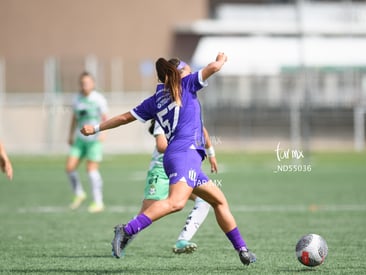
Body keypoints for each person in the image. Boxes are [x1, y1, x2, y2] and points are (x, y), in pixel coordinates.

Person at [81, 53, 256, 265]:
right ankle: (126, 229)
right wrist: (221, 60)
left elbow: (125, 117)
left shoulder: (156, 99)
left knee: (218, 201)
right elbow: (213, 67)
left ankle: (243, 250)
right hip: (185, 155)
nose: (193, 73)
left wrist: (96, 128)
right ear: (179, 73)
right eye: (189, 70)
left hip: (179, 156)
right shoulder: (187, 84)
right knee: (176, 203)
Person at [142, 119, 217, 254]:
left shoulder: (189, 111)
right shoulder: (165, 115)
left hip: (183, 168)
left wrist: (211, 152)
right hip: (161, 171)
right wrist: (185, 147)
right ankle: (124, 235)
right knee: (147, 212)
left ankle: (182, 241)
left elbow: (202, 129)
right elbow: (161, 146)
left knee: (204, 200)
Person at [66, 72, 108, 213]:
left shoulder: (98, 99)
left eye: (88, 82)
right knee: (70, 167)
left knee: (91, 170)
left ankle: (98, 201)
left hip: (94, 139)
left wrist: (104, 132)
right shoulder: (77, 99)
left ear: (93, 84)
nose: (85, 85)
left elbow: (105, 117)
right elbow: (74, 118)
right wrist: (70, 134)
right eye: (83, 83)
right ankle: (79, 193)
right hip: (80, 139)